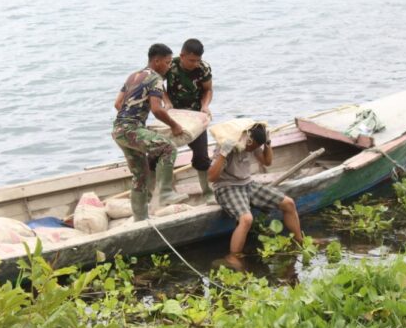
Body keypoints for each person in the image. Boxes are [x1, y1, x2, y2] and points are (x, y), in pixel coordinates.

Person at [112, 43, 188, 221]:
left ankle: (140, 218)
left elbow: (118, 104)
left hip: (118, 130)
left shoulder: (134, 76)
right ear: (157, 61)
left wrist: (131, 118)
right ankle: (166, 193)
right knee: (168, 148)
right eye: (168, 63)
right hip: (131, 129)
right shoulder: (155, 78)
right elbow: (156, 109)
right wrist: (174, 125)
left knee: (140, 174)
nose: (169, 67)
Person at [207, 123, 303, 260]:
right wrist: (223, 153)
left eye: (255, 147)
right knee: (246, 219)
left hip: (248, 184)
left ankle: (300, 241)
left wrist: (267, 144)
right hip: (226, 187)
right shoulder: (229, 144)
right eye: (252, 146)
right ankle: (233, 257)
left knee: (289, 203)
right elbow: (211, 177)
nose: (251, 149)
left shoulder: (253, 144)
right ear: (248, 139)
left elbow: (267, 162)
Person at [163, 38, 215, 203]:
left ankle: (208, 192)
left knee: (201, 156)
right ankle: (164, 193)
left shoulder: (203, 68)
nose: (195, 64)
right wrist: (166, 102)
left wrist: (205, 106)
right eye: (191, 60)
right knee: (163, 153)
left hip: (195, 116)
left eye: (197, 60)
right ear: (182, 56)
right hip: (173, 115)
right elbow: (157, 86)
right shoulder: (170, 65)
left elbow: (208, 90)